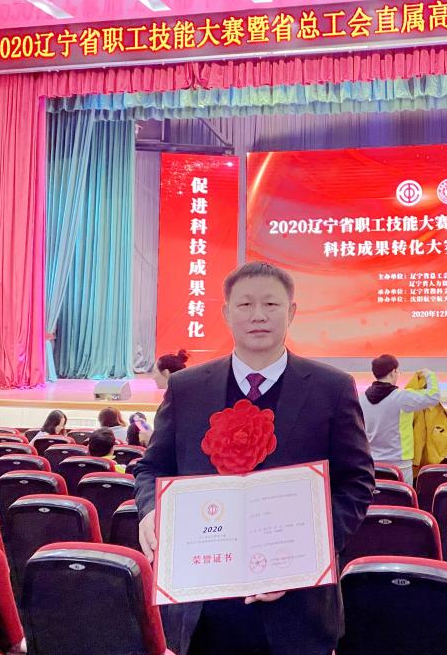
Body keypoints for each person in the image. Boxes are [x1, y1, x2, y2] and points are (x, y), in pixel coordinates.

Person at [134, 262, 374, 655]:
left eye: (271, 304)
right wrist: (150, 510)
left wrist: (303, 555)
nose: (258, 315)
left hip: (298, 608)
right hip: (203, 607)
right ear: (226, 312)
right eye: (245, 304)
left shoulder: (331, 388)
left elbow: (356, 482)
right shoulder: (187, 388)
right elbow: (153, 467)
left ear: (291, 312)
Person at [359, 354, 442, 484]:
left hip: (372, 463)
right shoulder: (402, 398)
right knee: (401, 496)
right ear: (393, 372)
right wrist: (429, 375)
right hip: (400, 465)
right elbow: (433, 396)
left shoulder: (361, 399)